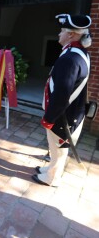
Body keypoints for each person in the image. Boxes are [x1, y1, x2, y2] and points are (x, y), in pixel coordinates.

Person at [32, 14, 92, 187]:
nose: (59, 34)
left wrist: (49, 118)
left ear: (72, 35)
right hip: (70, 111)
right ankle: (50, 169)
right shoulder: (78, 53)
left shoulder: (70, 59)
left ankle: (51, 178)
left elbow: (62, 93)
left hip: (63, 115)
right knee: (56, 147)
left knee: (59, 149)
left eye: (62, 31)